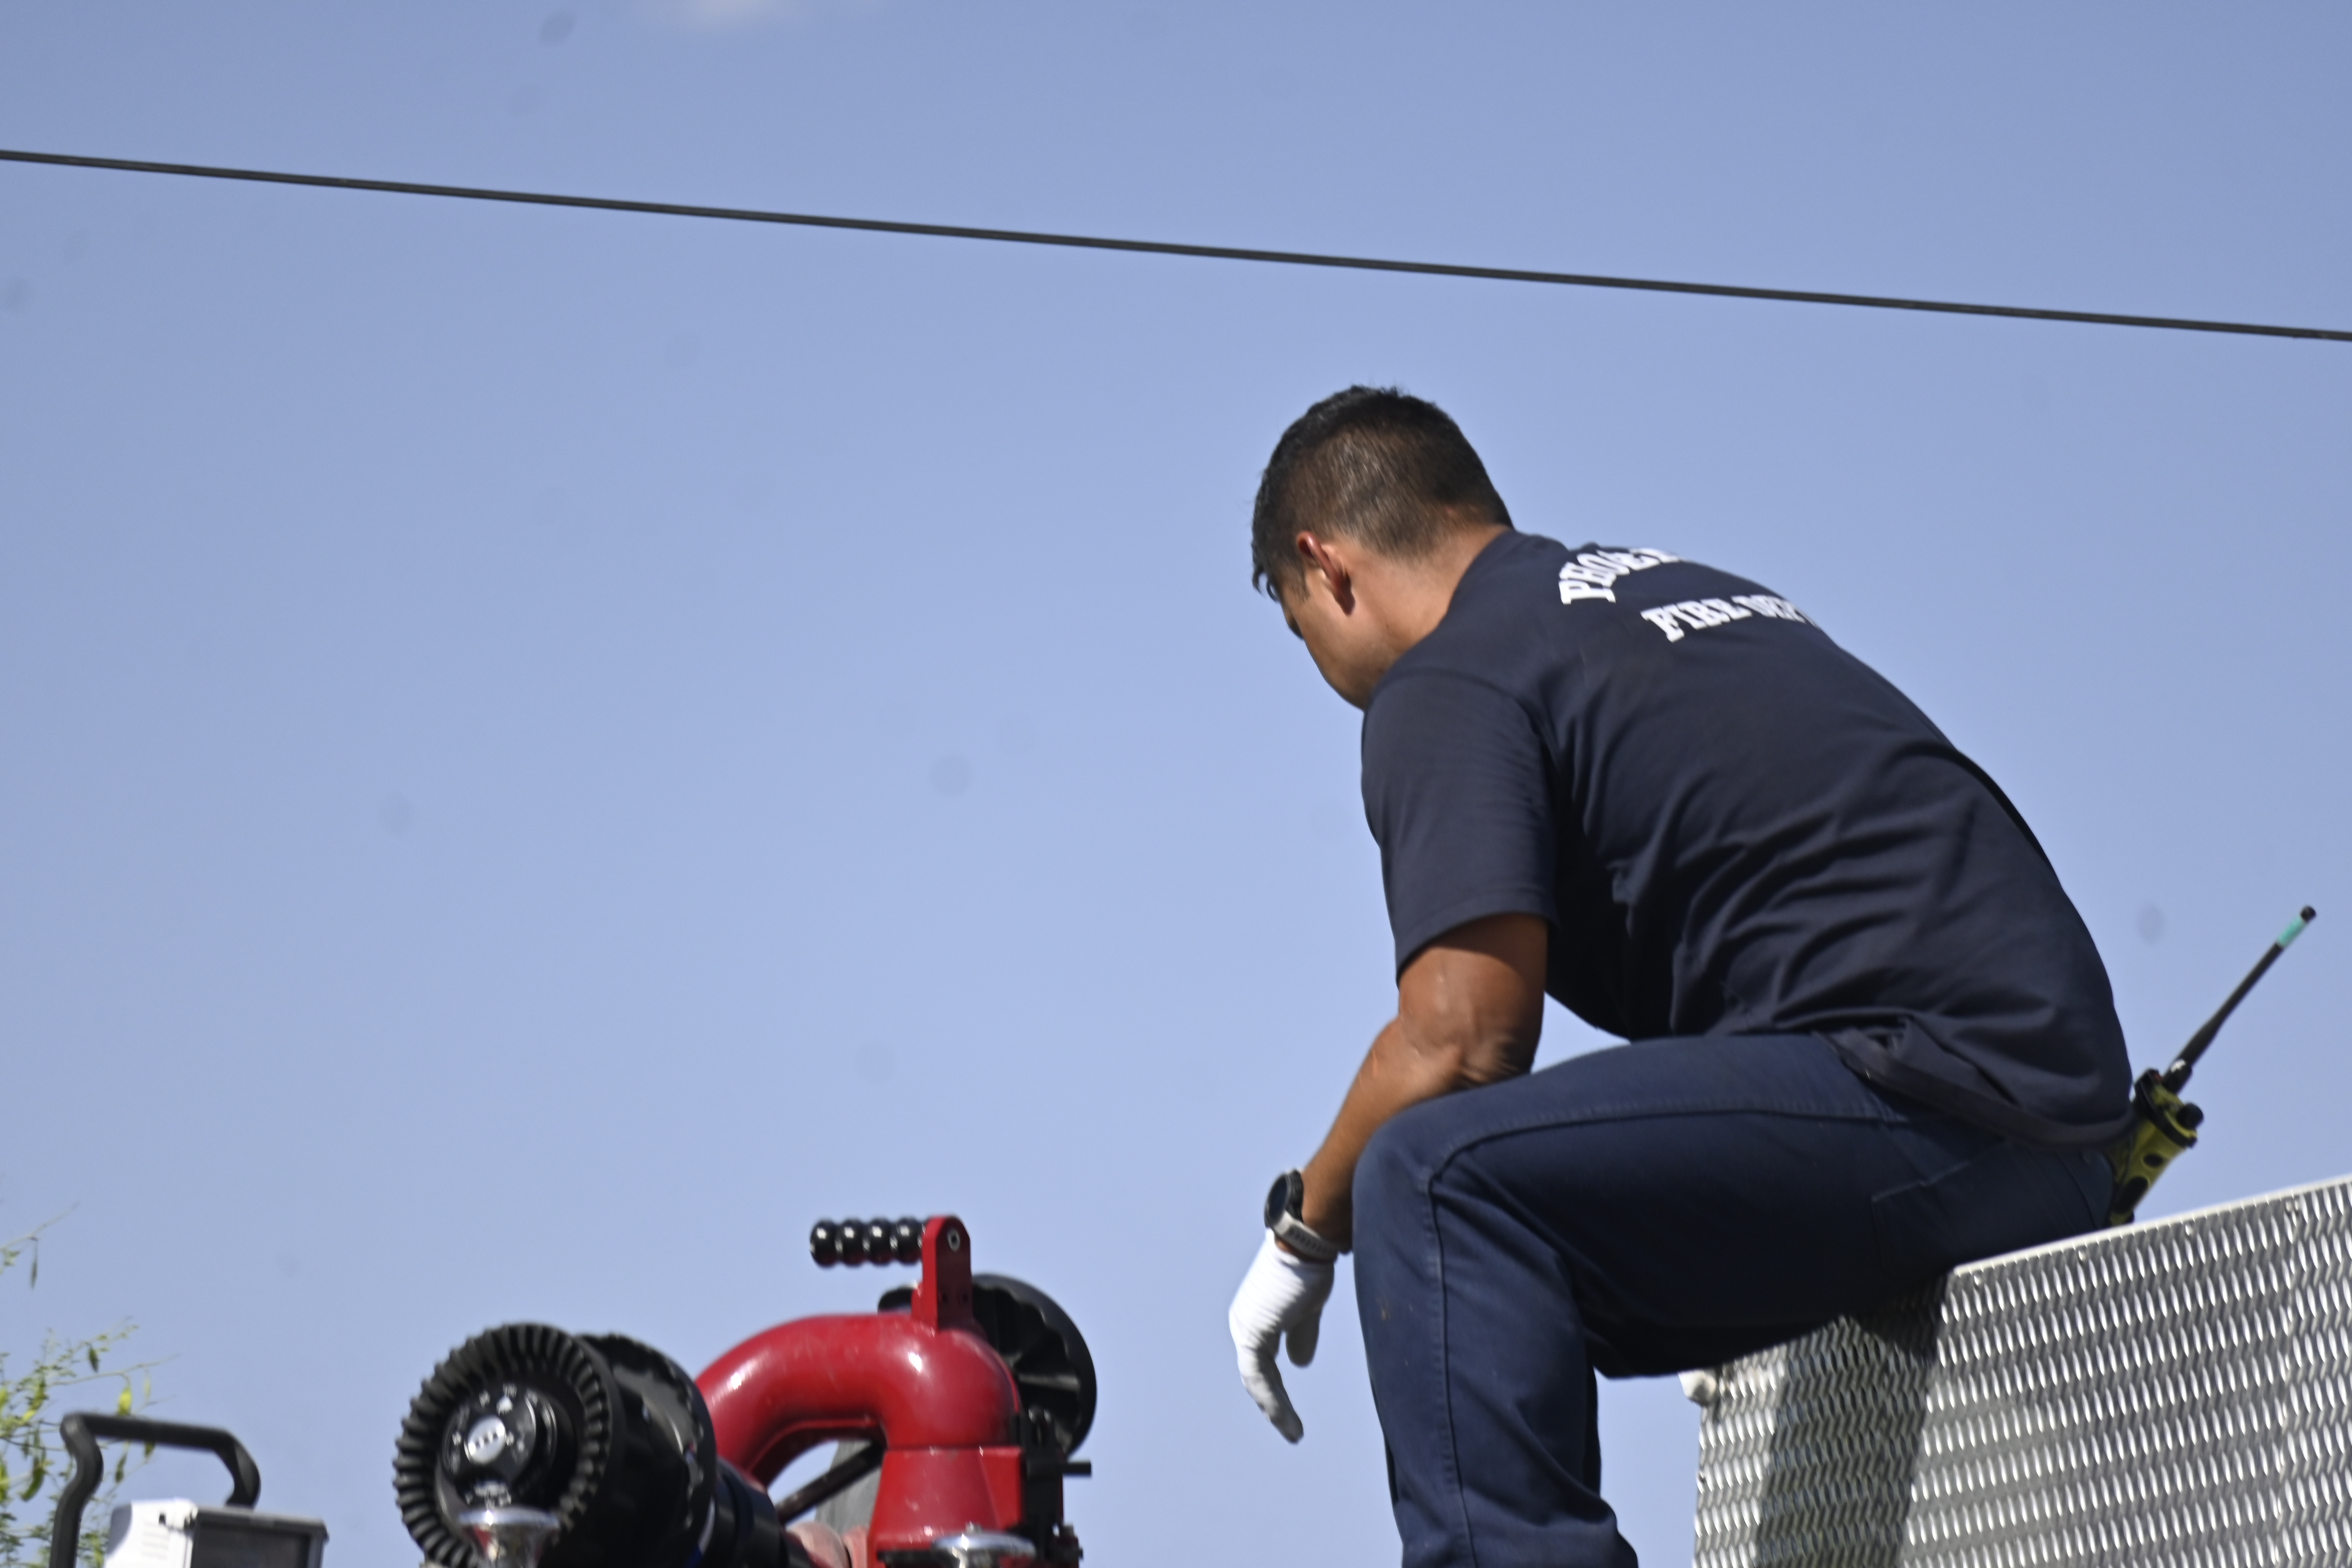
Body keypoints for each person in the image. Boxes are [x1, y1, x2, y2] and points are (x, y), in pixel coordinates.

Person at [1224, 387, 2132, 1568]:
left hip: (1928, 1095)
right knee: (1503, 1280)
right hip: (2058, 1129)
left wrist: (1304, 1231)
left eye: (1304, 633)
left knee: (1436, 1184)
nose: (1326, 670)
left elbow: (1461, 1041)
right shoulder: (1659, 594)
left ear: (1326, 566)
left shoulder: (1450, 674)